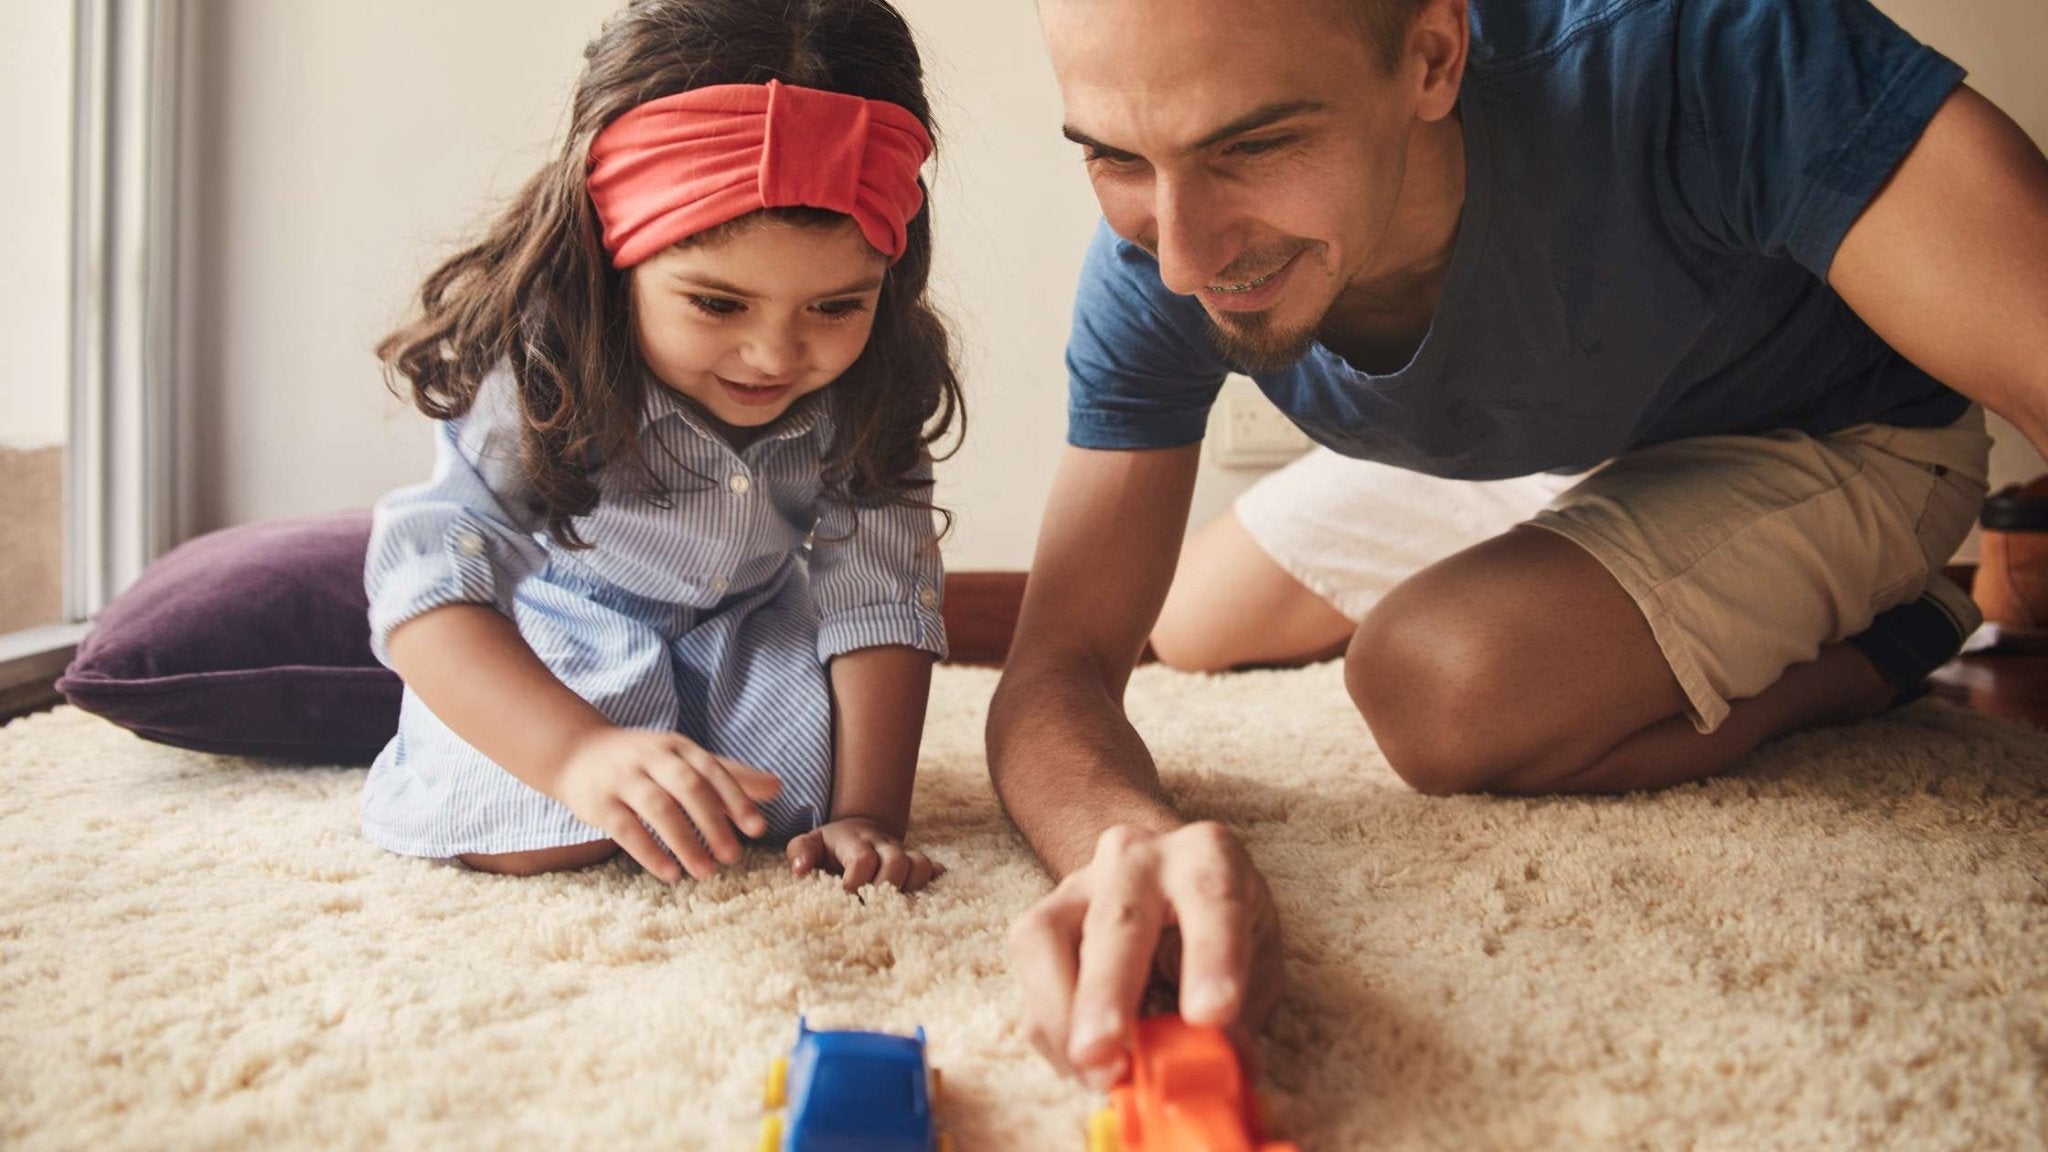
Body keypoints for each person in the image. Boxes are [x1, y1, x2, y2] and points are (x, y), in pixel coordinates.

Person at [992, 0, 2048, 1089]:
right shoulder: (1160, 255)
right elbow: (1055, 668)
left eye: (1252, 144)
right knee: (1192, 622)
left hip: (1845, 428)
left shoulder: (1692, 49)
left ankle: (1885, 643)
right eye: (1115, 157)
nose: (1177, 257)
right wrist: (1123, 843)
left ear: (1433, 58)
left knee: (1434, 685)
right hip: (1583, 431)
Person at [361, 0, 961, 894]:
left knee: (789, 802)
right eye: (717, 304)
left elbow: (878, 589)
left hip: (751, 635)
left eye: (837, 306)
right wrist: (577, 756)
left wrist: (870, 813)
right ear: (615, 253)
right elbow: (429, 575)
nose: (773, 355)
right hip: (561, 631)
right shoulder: (540, 363)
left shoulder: (873, 383)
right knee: (542, 830)